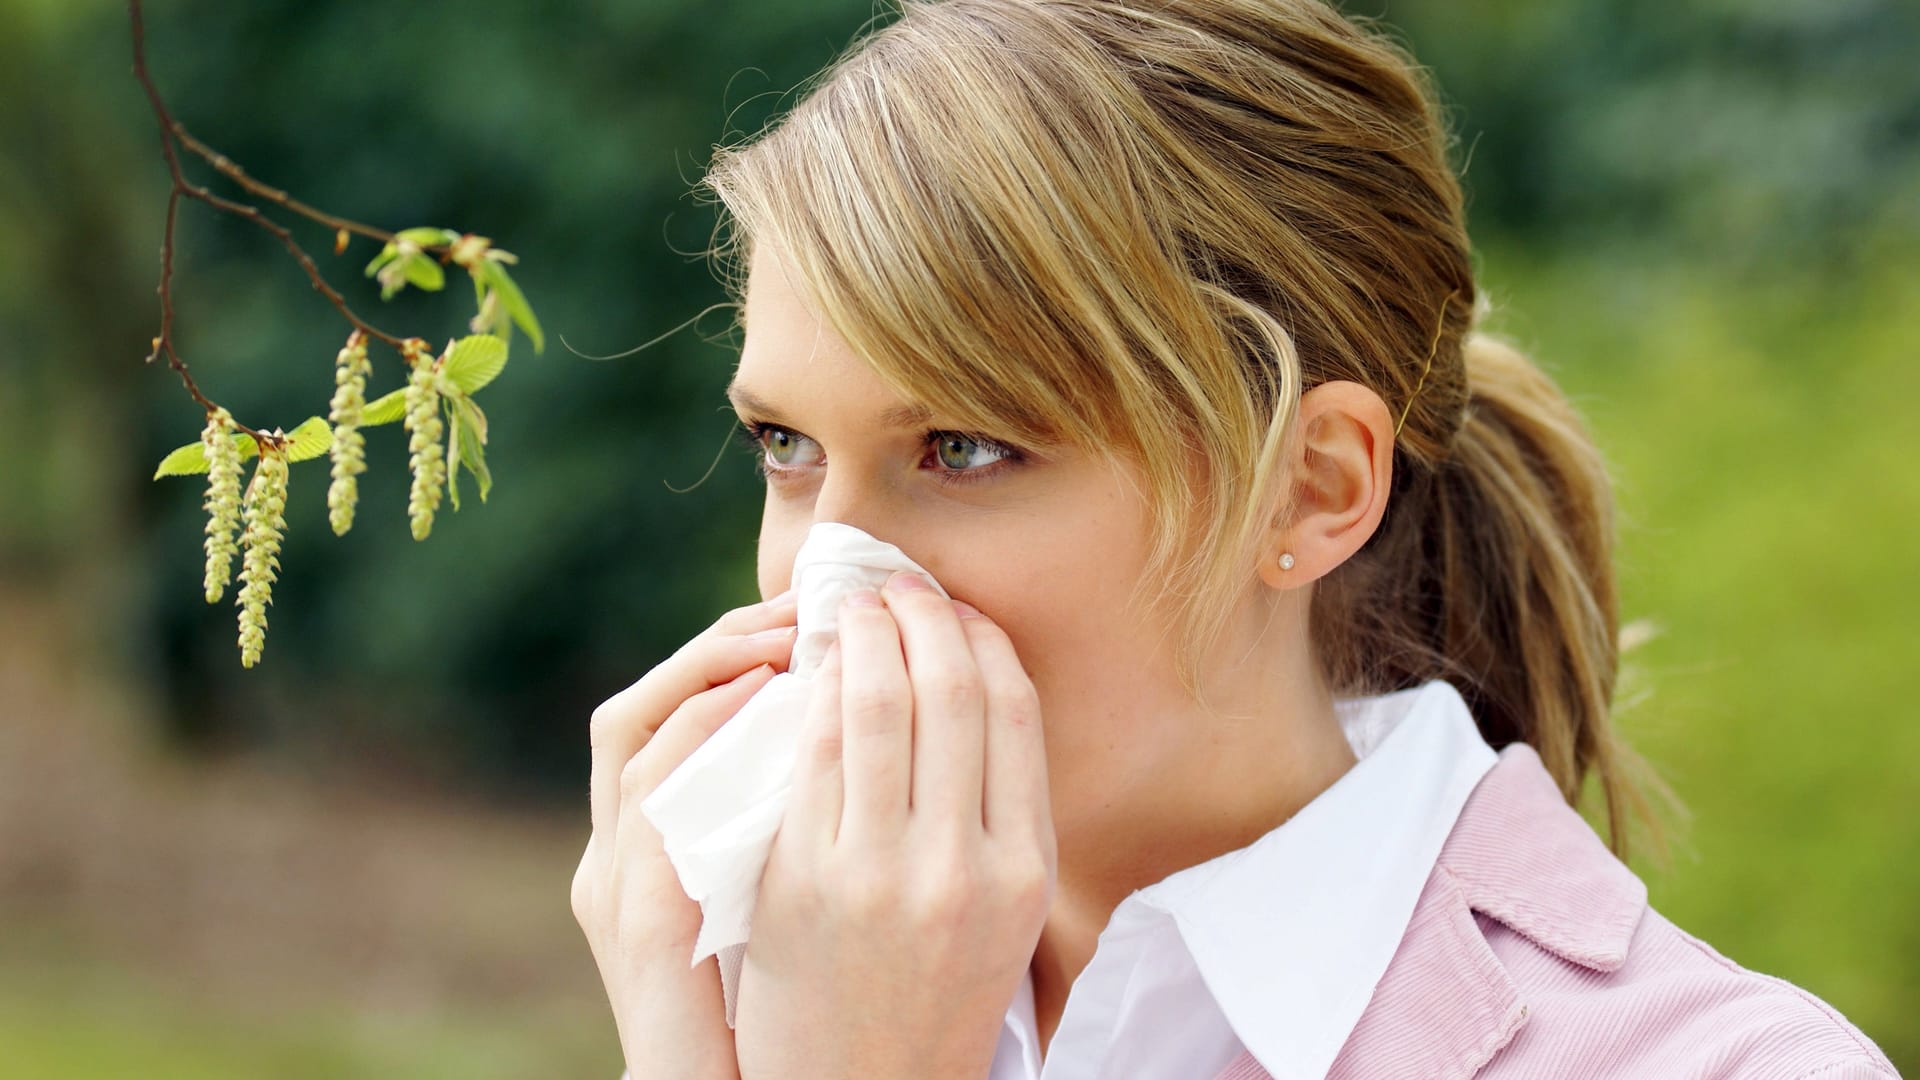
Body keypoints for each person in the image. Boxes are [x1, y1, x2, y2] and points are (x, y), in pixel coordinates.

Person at [570, 1, 1899, 1076]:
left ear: (1311, 488)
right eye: (785, 446)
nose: (825, 579)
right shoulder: (764, 975)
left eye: (964, 449)